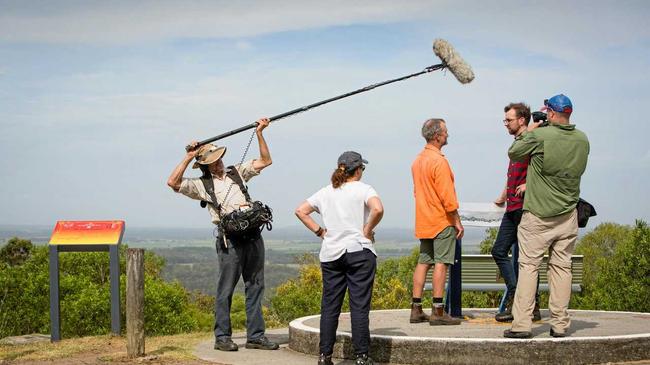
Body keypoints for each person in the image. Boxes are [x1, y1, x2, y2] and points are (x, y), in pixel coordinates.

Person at [167, 118, 279, 351]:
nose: (218, 163)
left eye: (219, 159)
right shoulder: (201, 185)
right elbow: (173, 182)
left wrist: (259, 133)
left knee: (256, 285)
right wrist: (189, 156)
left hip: (253, 237)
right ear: (205, 165)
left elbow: (266, 161)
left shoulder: (236, 173)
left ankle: (256, 336)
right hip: (230, 241)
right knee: (226, 289)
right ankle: (222, 337)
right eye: (213, 161)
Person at [504, 94, 589, 339]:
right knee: (562, 269)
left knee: (529, 267)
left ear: (550, 113)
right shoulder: (583, 140)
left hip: (538, 216)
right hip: (568, 215)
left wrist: (530, 130)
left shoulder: (540, 135)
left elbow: (515, 152)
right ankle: (560, 325)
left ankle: (521, 325)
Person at [295, 151, 384, 365]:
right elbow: (378, 209)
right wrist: (368, 229)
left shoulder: (326, 192)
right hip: (359, 251)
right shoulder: (364, 189)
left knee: (330, 306)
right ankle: (362, 356)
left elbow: (301, 211)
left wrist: (320, 232)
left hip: (331, 253)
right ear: (359, 170)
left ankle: (324, 356)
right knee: (359, 306)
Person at [410, 118, 464, 326]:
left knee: (423, 262)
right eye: (445, 132)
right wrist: (457, 220)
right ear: (437, 136)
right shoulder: (439, 161)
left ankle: (416, 309)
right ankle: (438, 311)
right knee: (442, 263)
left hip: (423, 219)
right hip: (441, 220)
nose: (447, 134)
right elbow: (447, 197)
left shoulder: (417, 161)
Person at [492, 102, 541, 323]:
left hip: (526, 207)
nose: (506, 124)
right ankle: (517, 295)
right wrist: (502, 197)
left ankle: (529, 306)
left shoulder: (533, 140)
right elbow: (511, 174)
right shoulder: (518, 142)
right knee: (499, 250)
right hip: (511, 207)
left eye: (508, 120)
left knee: (526, 260)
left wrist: (529, 185)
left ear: (522, 120)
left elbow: (543, 168)